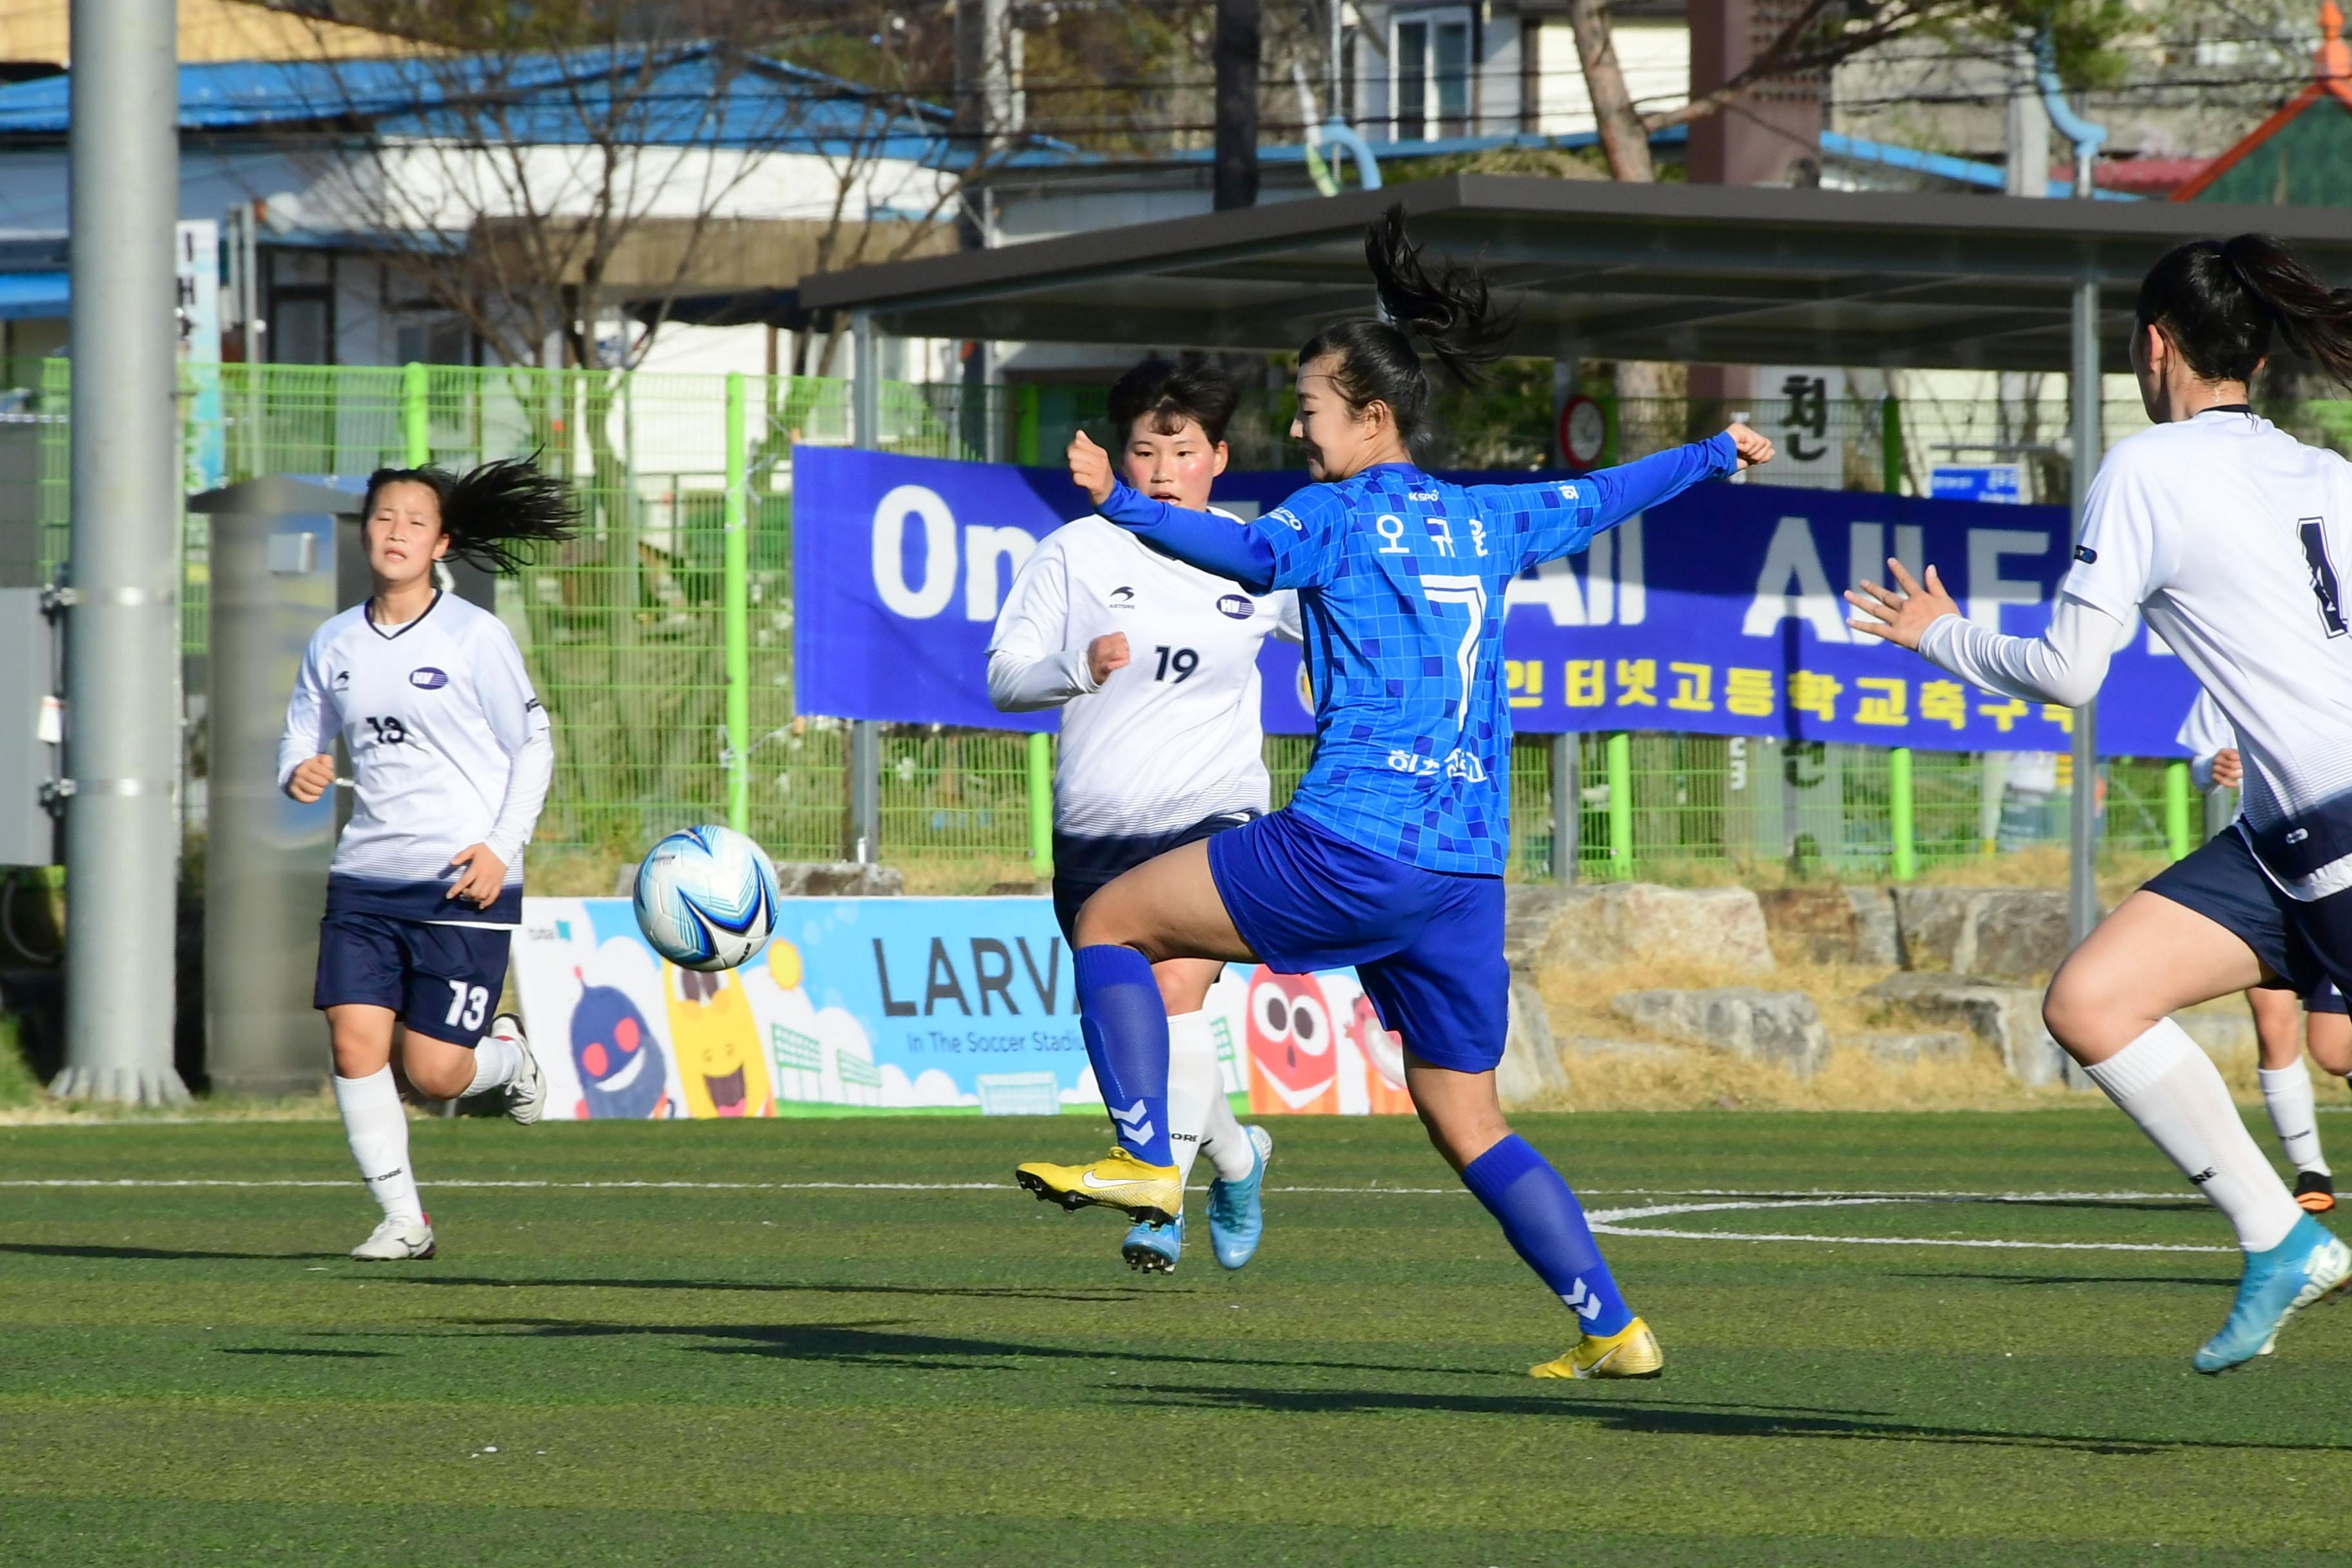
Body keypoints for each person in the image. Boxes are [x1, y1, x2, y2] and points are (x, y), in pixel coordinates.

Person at [1010, 205, 1772, 1379]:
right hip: (1464, 872)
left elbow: (1248, 555)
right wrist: (1714, 454)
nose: (1299, 431)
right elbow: (1608, 492)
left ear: (1369, 414)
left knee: (1109, 917)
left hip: (1354, 842)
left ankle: (1146, 1156)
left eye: (1310, 410)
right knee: (1467, 1119)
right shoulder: (1486, 515)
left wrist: (1124, 505)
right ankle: (1612, 1326)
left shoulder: (1333, 513)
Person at [1847, 233, 2352, 1372]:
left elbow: (2070, 672)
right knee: (2092, 999)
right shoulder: (2326, 473)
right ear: (2257, 360)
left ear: (2153, 344)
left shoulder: (2148, 466)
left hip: (2336, 826)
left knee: (2327, 1039)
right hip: (2285, 838)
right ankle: (2278, 1240)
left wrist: (1940, 636)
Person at [987, 358, 1295, 1275]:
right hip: (1096, 835)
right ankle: (1237, 1160)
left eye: (1183, 450)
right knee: (1142, 1037)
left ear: (1219, 459)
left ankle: (1156, 1195)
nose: (1163, 467)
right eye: (1145, 450)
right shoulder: (1076, 553)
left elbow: (1334, 633)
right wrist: (1077, 664)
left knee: (1176, 995)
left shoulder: (1256, 559)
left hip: (1216, 821)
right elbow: (1005, 676)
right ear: (1121, 459)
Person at [280, 459, 577, 1262]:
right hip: (365, 878)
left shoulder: (475, 636)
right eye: (384, 517)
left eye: (415, 520)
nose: (396, 531)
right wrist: (297, 768)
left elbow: (534, 748)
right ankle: (403, 1218)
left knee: (437, 1074)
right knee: (353, 1043)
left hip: (460, 879)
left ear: (442, 541)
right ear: (366, 530)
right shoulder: (332, 641)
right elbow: (302, 733)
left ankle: (508, 1057)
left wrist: (499, 848)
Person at [2180, 691, 2351, 1213]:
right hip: (2267, 868)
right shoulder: (2228, 668)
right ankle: (2310, 1172)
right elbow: (2200, 761)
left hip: (2337, 870)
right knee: (2271, 1019)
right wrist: (2213, 764)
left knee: (2332, 1049)